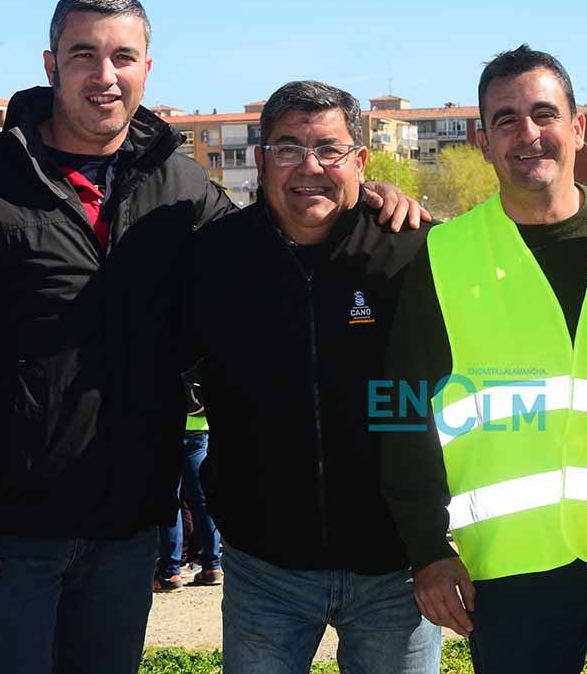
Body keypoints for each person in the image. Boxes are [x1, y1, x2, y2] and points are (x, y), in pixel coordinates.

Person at [0, 0, 423, 674]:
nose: (104, 75)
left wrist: (364, 199)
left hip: (127, 526)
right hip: (2, 524)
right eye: (84, 55)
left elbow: (272, 232)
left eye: (123, 57)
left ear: (147, 69)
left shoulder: (179, 184)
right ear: (51, 64)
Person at [380, 46, 587, 674]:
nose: (528, 134)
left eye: (544, 114)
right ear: (483, 142)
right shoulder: (443, 254)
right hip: (507, 571)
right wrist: (427, 548)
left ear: (578, 128)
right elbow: (398, 408)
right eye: (506, 120)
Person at [181, 80, 440, 674]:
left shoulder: (412, 250)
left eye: (329, 149)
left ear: (361, 161)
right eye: (289, 148)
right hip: (263, 566)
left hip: (394, 565)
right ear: (261, 159)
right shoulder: (213, 258)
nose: (310, 167)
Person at [154, 374, 222, 591]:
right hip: (200, 426)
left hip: (166, 425)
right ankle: (212, 566)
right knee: (203, 500)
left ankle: (170, 572)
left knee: (170, 498)